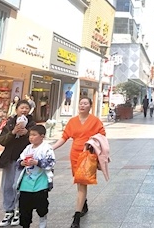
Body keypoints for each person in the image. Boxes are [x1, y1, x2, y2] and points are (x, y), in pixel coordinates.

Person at [51, 98, 106, 228]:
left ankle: (76, 218)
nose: (82, 105)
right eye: (81, 103)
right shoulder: (72, 121)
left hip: (88, 155)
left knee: (82, 183)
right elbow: (64, 137)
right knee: (79, 181)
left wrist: (92, 144)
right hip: (75, 154)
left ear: (90, 106)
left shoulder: (95, 121)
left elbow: (102, 136)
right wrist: (51, 148)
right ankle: (83, 204)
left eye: (85, 104)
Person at [0, 100, 35, 227]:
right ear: (16, 109)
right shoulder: (10, 123)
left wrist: (27, 134)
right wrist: (13, 132)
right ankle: (8, 211)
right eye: (22, 108)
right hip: (9, 159)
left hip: (24, 160)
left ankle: (19, 209)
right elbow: (1, 140)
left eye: (27, 108)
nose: (24, 110)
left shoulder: (32, 124)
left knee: (18, 185)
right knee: (7, 186)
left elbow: (37, 140)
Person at [17, 125, 56, 228]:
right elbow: (19, 160)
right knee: (24, 206)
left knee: (41, 204)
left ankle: (43, 218)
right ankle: (25, 224)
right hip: (26, 181)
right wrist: (22, 163)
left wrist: (37, 162)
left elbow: (51, 163)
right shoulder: (28, 148)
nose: (31, 137)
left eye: (34, 135)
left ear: (42, 136)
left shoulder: (47, 148)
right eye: (30, 135)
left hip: (41, 180)